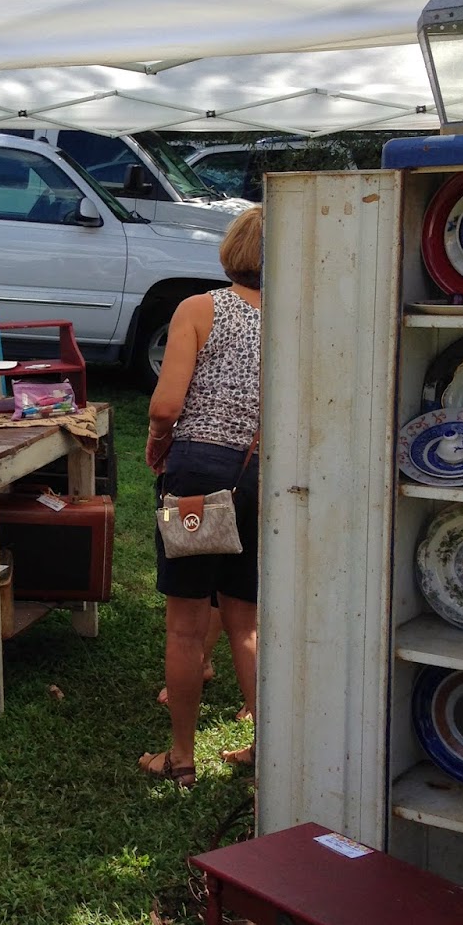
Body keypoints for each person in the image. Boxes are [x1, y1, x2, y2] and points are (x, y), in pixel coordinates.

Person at [139, 205, 263, 789]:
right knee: (247, 623)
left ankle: (182, 757)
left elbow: (165, 406)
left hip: (199, 475)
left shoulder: (200, 309)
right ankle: (267, 746)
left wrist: (157, 440)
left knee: (186, 626)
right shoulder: (300, 316)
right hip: (263, 474)